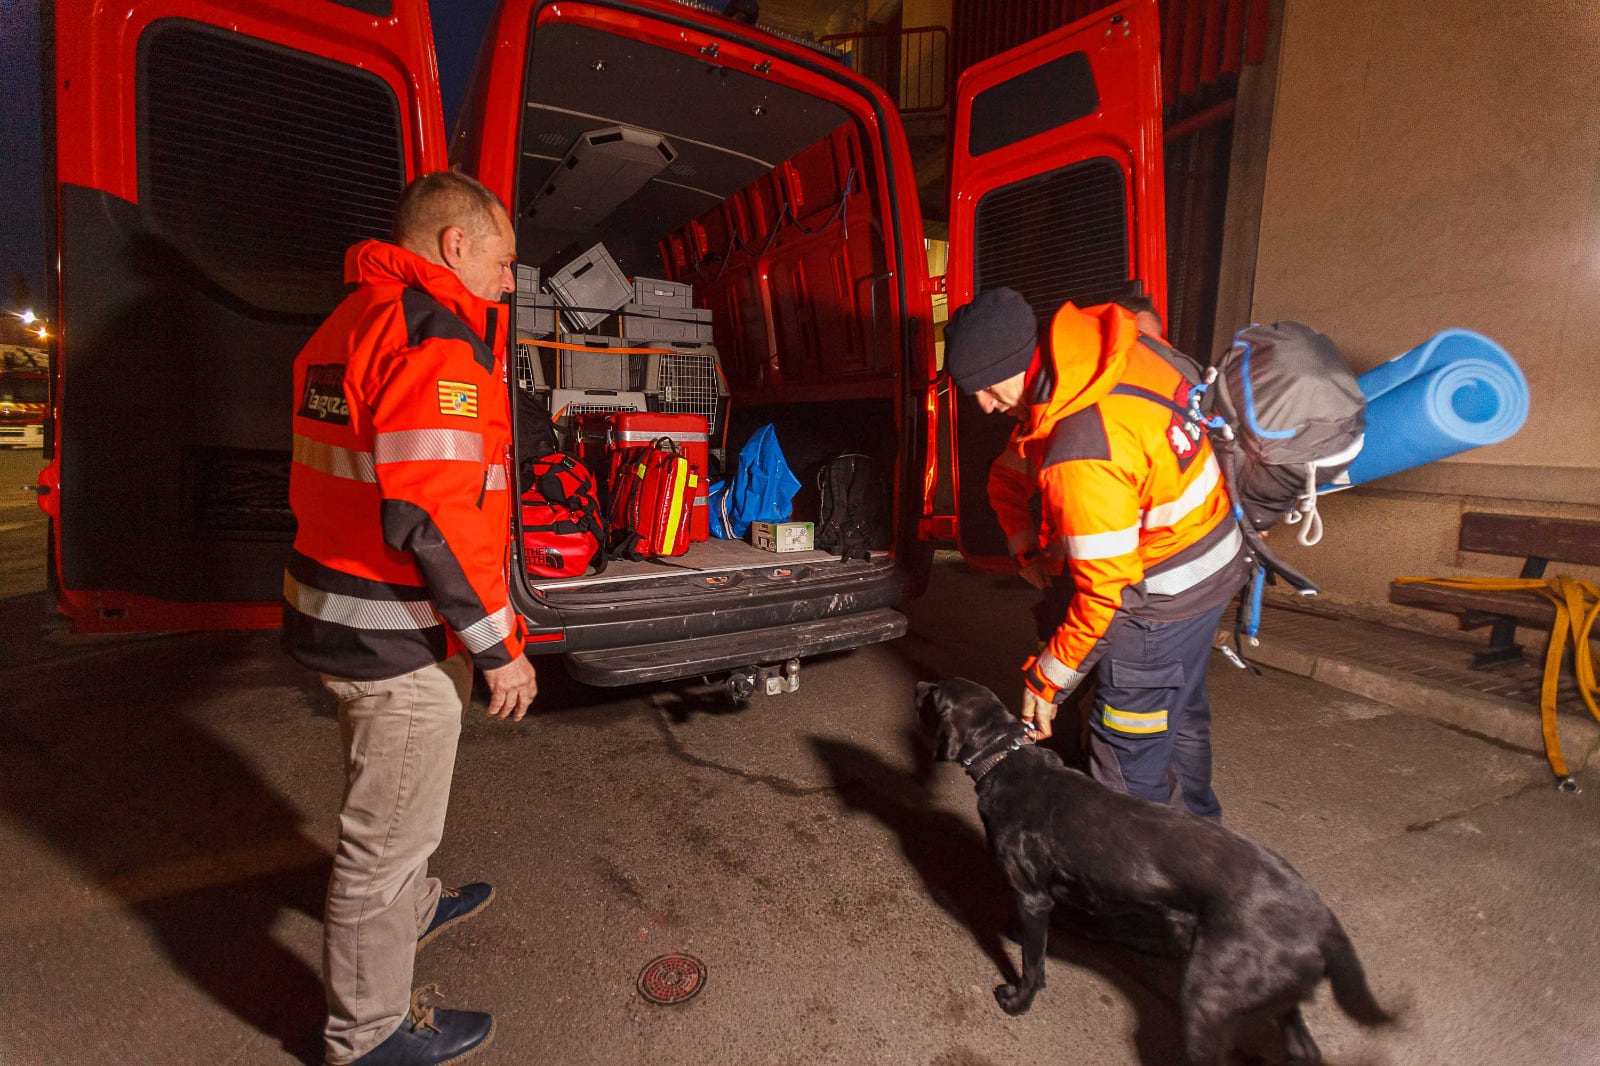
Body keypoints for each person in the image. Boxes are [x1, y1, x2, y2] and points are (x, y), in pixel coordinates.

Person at [283, 170, 538, 1066]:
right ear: (456, 246)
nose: (511, 284)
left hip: (345, 607)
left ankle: (418, 905)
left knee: (398, 812)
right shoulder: (434, 337)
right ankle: (368, 1034)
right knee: (383, 842)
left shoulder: (352, 317)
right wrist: (499, 648)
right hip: (388, 629)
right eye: (505, 263)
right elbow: (432, 515)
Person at [945, 288, 1248, 820]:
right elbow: (1006, 479)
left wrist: (1046, 680)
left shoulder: (1081, 448)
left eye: (989, 389)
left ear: (1018, 363)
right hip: (1215, 565)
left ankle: (1145, 890)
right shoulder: (1111, 351)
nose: (985, 406)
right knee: (1182, 719)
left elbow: (1105, 593)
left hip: (1164, 597)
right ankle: (1204, 845)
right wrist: (1026, 553)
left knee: (1126, 759)